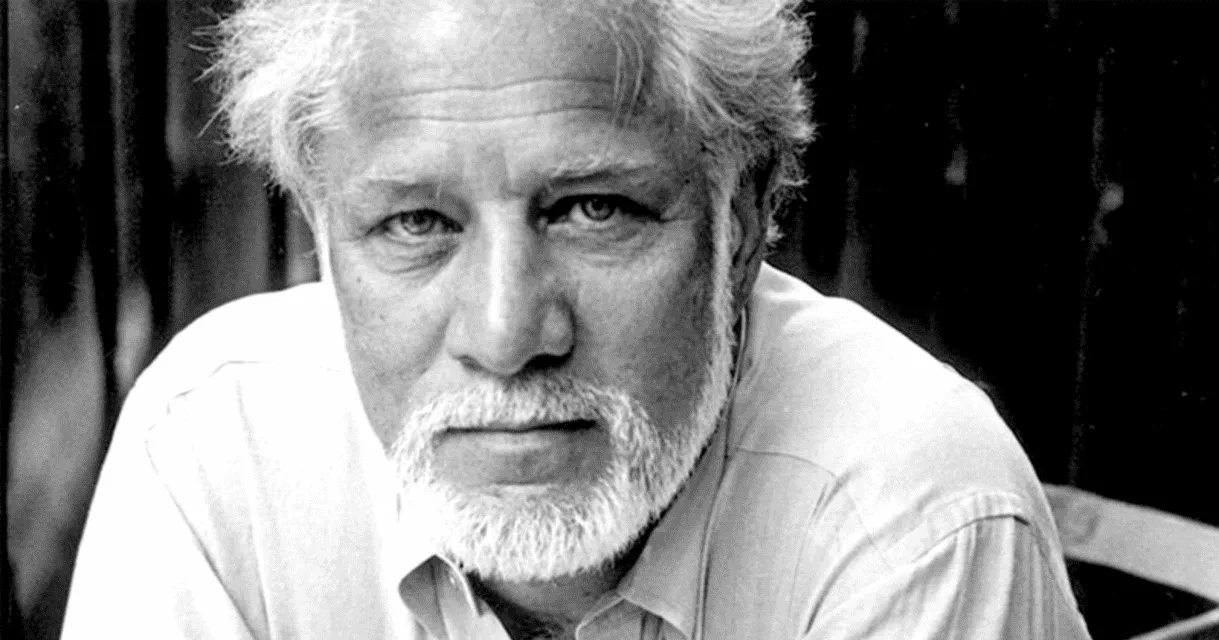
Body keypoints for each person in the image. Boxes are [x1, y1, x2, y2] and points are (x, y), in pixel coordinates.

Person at [62, 0, 1092, 638]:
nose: (507, 336)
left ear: (740, 222)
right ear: (323, 235)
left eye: (593, 210)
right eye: (417, 223)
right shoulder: (214, 439)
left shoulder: (910, 511)